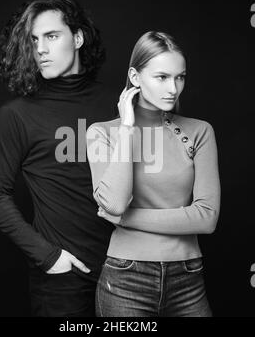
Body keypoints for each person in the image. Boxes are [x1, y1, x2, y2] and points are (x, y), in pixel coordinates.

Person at [0, 0, 115, 317]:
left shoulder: (119, 105)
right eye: (34, 39)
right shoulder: (16, 115)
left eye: (52, 36)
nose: (40, 49)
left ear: (78, 37)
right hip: (62, 281)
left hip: (126, 273)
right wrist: (48, 256)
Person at [86, 31, 221, 317]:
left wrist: (126, 219)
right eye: (161, 77)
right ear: (135, 77)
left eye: (180, 77)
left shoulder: (199, 131)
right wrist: (126, 127)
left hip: (189, 277)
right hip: (125, 280)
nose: (173, 88)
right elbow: (115, 203)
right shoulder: (102, 133)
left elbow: (207, 217)